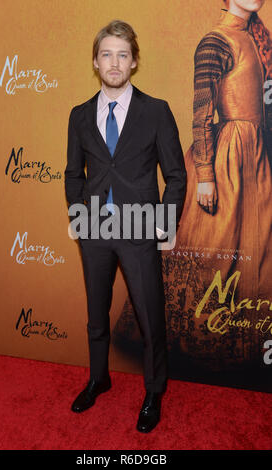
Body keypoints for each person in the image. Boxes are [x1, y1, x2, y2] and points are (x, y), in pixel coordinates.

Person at [114, 0, 272, 374]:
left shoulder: (258, 38)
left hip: (257, 159)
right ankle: (196, 360)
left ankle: (243, 355)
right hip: (225, 159)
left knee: (259, 252)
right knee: (213, 257)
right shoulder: (215, 41)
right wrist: (205, 175)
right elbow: (202, 111)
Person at [65, 20, 186, 433]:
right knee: (96, 314)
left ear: (134, 62)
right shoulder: (79, 116)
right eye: (106, 54)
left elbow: (176, 175)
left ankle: (154, 390)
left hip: (140, 230)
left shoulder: (156, 111)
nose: (114, 62)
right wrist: (76, 214)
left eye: (122, 54)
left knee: (150, 317)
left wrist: (163, 223)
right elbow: (72, 174)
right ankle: (99, 378)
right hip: (94, 230)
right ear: (95, 63)